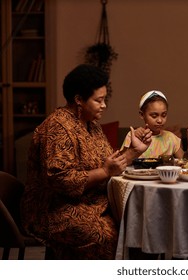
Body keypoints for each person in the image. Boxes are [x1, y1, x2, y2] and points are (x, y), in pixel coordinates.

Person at [20, 64, 152, 260]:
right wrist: (106, 172)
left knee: (140, 223)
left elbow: (108, 163)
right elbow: (62, 180)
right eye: (98, 100)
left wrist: (133, 152)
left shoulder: (91, 125)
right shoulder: (57, 127)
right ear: (79, 100)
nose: (104, 105)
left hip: (91, 202)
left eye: (104, 99)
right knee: (105, 235)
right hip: (55, 208)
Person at [121, 90, 184, 159]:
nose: (160, 120)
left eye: (164, 115)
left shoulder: (170, 138)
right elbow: (120, 162)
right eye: (154, 116)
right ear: (142, 115)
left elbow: (185, 162)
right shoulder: (132, 136)